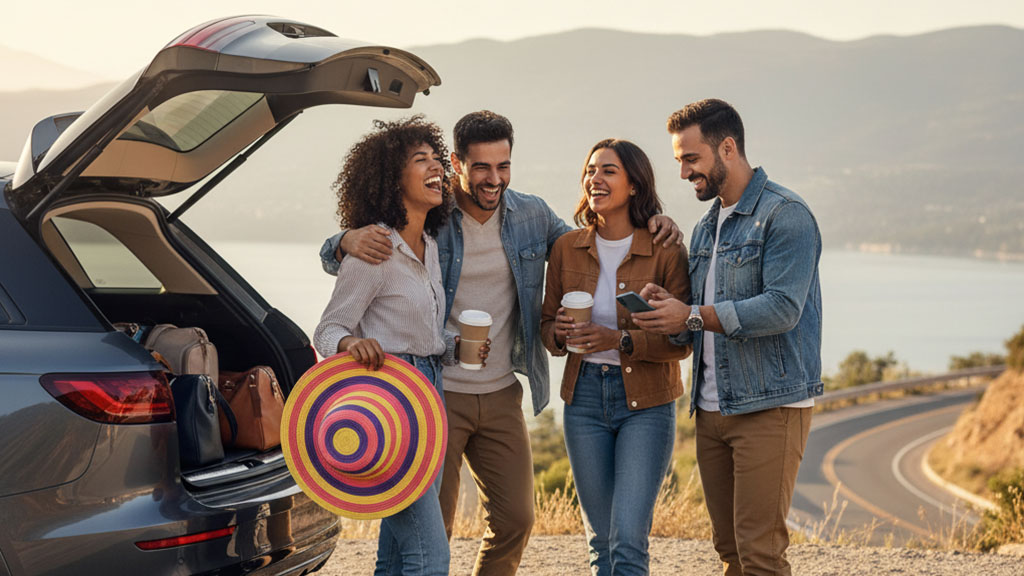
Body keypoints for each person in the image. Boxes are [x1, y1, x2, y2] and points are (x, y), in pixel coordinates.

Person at [321, 111, 683, 576]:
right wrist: (343, 240)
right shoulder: (433, 216)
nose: (495, 180)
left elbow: (584, 241)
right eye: (482, 168)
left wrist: (652, 218)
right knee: (429, 532)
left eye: (503, 166)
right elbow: (375, 252)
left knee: (515, 520)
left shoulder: (530, 215)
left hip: (500, 392)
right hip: (434, 394)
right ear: (456, 164)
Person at [632, 98, 823, 576]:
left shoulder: (786, 215)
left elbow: (782, 308)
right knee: (731, 551)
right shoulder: (705, 228)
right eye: (678, 160)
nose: (682, 172)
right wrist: (668, 305)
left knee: (760, 554)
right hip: (712, 409)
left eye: (690, 159)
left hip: (770, 407)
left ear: (729, 148)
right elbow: (696, 314)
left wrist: (692, 315)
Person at [540, 139, 691, 576]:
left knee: (627, 538)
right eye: (591, 170)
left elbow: (681, 340)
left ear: (633, 184)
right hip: (583, 399)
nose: (595, 178)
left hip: (647, 404)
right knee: (600, 540)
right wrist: (560, 333)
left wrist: (617, 337)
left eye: (608, 171)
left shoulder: (665, 249)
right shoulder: (566, 248)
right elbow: (547, 327)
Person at [312, 116, 455, 576]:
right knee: (429, 558)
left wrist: (452, 346)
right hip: (390, 406)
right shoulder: (374, 249)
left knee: (395, 557)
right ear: (393, 179)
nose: (437, 168)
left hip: (428, 397)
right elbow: (327, 331)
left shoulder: (430, 245)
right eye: (421, 161)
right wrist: (352, 342)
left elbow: (420, 334)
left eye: (438, 160)